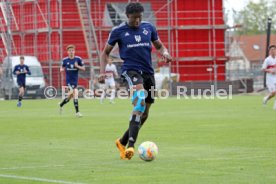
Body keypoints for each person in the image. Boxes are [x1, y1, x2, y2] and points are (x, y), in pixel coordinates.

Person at [100, 2, 172, 160]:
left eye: (140, 17)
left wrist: (165, 53)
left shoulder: (149, 28)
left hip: (148, 73)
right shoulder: (118, 31)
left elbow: (159, 46)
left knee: (144, 114)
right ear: (127, 16)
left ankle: (122, 141)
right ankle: (131, 146)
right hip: (130, 71)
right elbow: (105, 53)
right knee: (139, 100)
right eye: (134, 18)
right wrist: (102, 71)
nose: (137, 21)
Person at [59, 44, 85, 117]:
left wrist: (77, 66)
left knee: (70, 96)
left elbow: (84, 68)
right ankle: (77, 113)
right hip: (68, 81)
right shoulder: (65, 60)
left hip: (75, 81)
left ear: (74, 51)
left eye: (72, 50)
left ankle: (61, 104)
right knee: (75, 94)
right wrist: (61, 69)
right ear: (67, 52)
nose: (71, 52)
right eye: (70, 51)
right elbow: (61, 67)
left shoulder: (78, 59)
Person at [262, 44, 276, 109]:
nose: (273, 51)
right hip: (270, 79)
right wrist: (270, 71)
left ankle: (275, 106)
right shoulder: (267, 60)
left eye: (274, 49)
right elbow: (263, 69)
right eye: (271, 50)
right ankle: (266, 99)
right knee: (274, 92)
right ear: (269, 51)